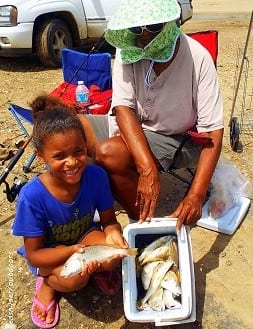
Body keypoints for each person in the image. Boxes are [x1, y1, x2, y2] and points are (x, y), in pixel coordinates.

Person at [78, 0, 224, 231]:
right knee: (70, 129)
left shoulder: (198, 58)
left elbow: (213, 131)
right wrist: (147, 168)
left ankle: (142, 220)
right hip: (133, 124)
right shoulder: (128, 51)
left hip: (174, 135)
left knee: (109, 153)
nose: (145, 34)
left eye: (154, 26)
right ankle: (81, 208)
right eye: (137, 28)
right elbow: (123, 107)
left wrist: (196, 193)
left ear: (171, 22)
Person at [12, 95, 128, 328]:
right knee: (74, 280)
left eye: (78, 152)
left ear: (86, 145)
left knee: (113, 255)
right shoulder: (32, 196)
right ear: (41, 156)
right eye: (59, 156)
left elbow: (109, 222)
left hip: (85, 237)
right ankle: (47, 283)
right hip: (49, 251)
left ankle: (98, 269)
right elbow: (34, 255)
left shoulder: (96, 176)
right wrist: (72, 252)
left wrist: (114, 234)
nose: (72, 162)